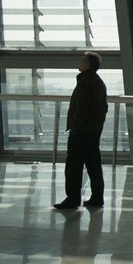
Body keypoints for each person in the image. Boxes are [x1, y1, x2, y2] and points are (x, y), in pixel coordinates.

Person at [54, 51, 108, 210]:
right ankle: (97, 197)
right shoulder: (97, 81)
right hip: (93, 130)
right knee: (93, 164)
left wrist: (75, 126)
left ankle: (72, 198)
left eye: (82, 60)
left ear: (88, 64)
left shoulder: (85, 81)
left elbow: (83, 108)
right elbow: (102, 107)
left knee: (74, 165)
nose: (79, 62)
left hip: (83, 130)